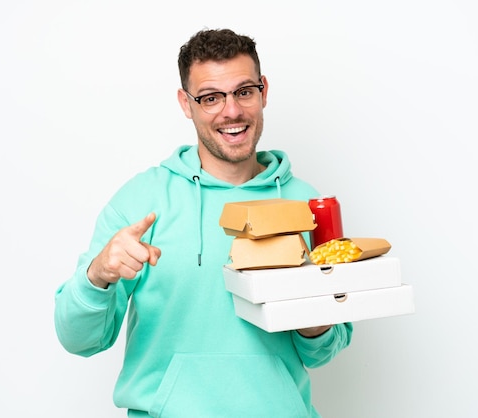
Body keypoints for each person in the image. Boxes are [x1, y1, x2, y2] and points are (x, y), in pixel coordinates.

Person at [54, 28, 353, 418]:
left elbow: (326, 350)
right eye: (211, 98)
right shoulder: (141, 202)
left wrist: (315, 322)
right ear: (186, 103)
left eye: (244, 91)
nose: (231, 111)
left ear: (263, 90)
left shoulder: (307, 204)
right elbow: (79, 340)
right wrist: (97, 277)